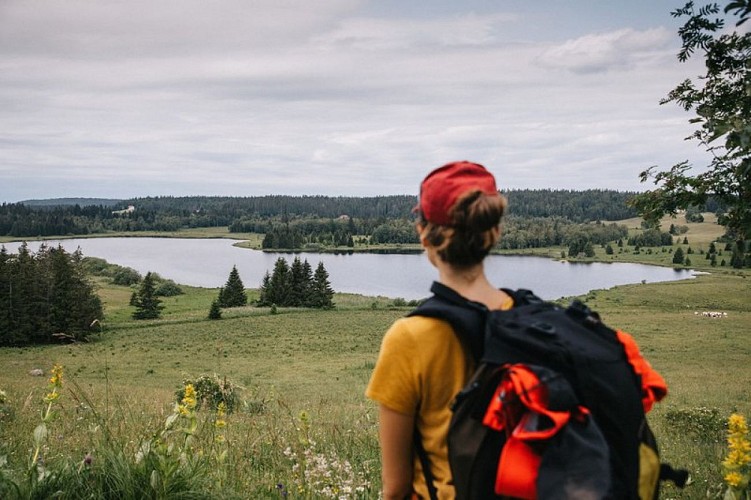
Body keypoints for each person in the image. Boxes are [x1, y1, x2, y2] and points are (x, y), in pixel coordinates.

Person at [365, 161, 511, 499]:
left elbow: (396, 487)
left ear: (423, 233)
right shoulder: (526, 321)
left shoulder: (409, 337)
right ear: (495, 232)